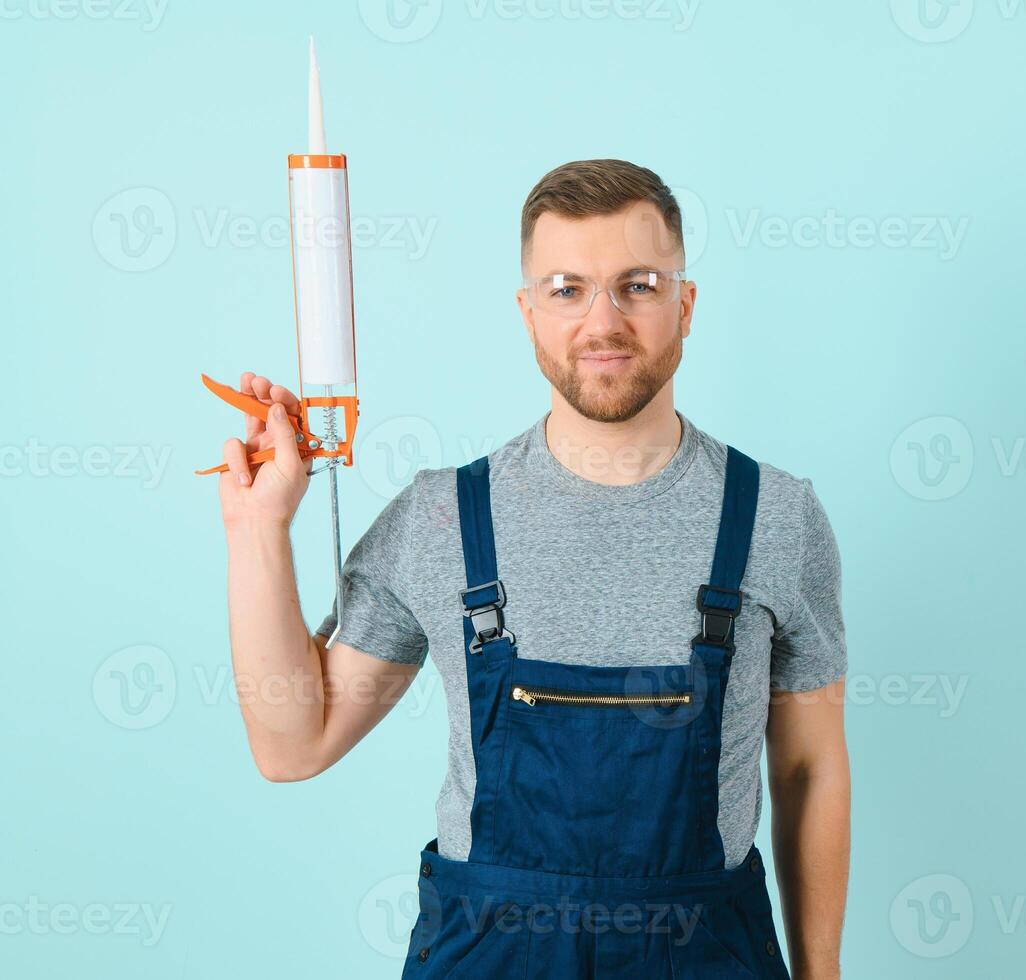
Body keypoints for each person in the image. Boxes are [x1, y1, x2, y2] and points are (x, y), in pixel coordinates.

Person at [216, 159, 849, 979]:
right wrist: (257, 528)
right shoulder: (441, 517)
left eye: (639, 285)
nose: (603, 320)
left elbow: (809, 766)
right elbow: (291, 746)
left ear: (685, 305)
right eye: (566, 288)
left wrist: (822, 974)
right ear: (527, 313)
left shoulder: (777, 516)